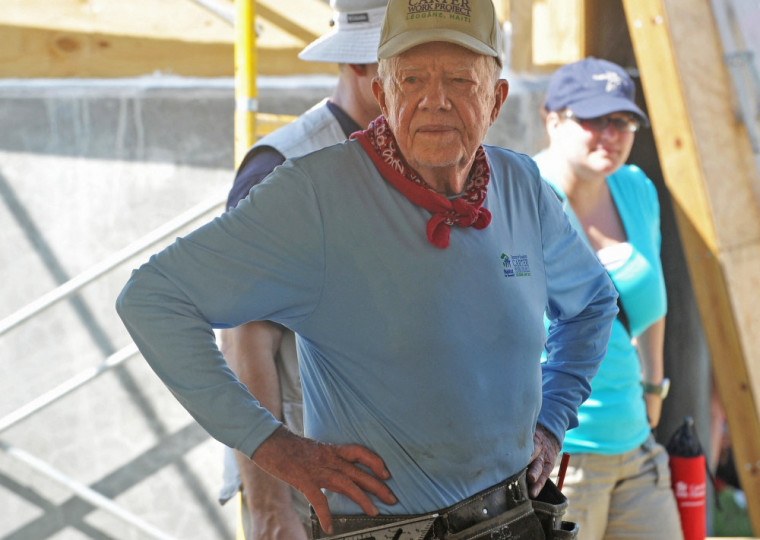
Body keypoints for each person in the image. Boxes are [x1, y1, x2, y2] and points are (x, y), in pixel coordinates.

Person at [116, 2, 619, 538]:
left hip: (518, 518)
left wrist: (552, 418)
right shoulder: (314, 195)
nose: (435, 100)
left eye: (459, 79)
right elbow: (153, 298)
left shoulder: (519, 186)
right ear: (382, 93)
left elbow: (592, 304)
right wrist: (273, 447)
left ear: (495, 99)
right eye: (411, 79)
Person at [216, 1, 386, 538]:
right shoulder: (283, 168)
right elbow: (244, 343)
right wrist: (270, 511)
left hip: (390, 483)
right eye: (410, 61)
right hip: (310, 493)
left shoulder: (416, 158)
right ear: (360, 64)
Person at [533, 57, 684, 539]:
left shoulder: (635, 187)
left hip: (637, 445)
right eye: (594, 119)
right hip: (560, 457)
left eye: (623, 121)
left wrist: (653, 387)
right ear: (551, 118)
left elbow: (649, 299)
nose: (611, 133)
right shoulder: (521, 196)